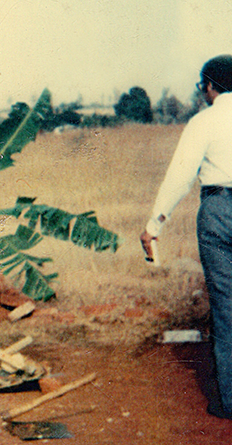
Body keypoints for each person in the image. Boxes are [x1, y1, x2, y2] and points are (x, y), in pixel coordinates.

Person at [140, 54, 232, 420]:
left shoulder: (203, 122)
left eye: (203, 86)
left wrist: (154, 225)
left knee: (227, 309)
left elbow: (180, 177)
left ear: (210, 85)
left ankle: (229, 402)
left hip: (218, 210)